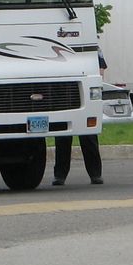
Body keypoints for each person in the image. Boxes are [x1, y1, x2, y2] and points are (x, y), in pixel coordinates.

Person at [52, 48, 107, 186]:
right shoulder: (55, 48)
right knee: (62, 138)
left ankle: (95, 174)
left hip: (83, 97)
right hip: (62, 98)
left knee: (89, 138)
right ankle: (60, 175)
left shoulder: (92, 48)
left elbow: (100, 69)